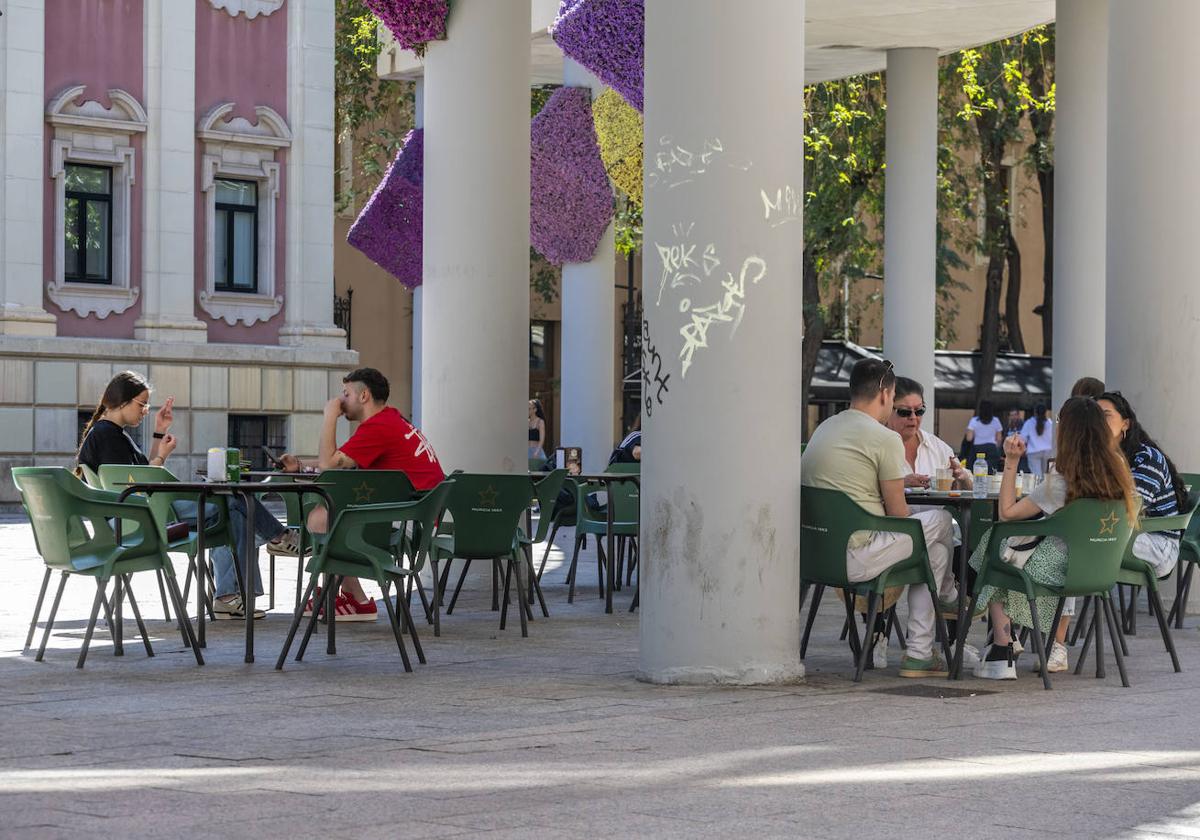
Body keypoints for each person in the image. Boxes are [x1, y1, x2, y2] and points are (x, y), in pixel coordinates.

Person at [77, 371, 295, 619]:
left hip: (136, 518)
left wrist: (160, 432)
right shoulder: (107, 436)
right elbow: (139, 484)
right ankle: (278, 538)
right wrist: (162, 456)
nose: (145, 410)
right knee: (232, 500)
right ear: (122, 401)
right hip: (143, 522)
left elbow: (141, 475)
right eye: (142, 404)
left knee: (233, 510)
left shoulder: (109, 433)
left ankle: (230, 595)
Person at [802, 359, 959, 678]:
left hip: (816, 555)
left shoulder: (825, 428)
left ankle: (920, 653)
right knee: (940, 522)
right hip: (858, 556)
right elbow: (900, 517)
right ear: (887, 394)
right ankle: (949, 601)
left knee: (936, 553)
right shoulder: (883, 438)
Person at [968, 397, 1139, 679]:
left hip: (1054, 571)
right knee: (1009, 550)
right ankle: (1012, 642)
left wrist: (1011, 461)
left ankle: (1001, 647)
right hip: (1101, 569)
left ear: (1068, 431)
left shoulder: (1063, 480)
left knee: (995, 544)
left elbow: (1008, 513)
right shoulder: (1122, 475)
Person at [279, 367, 445, 621]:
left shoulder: (379, 427)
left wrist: (329, 417)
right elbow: (343, 461)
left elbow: (329, 465)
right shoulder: (390, 420)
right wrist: (300, 465)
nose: (341, 401)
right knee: (335, 515)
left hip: (407, 524)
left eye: (345, 394)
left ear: (364, 396)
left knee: (321, 518)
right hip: (418, 516)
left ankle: (337, 596)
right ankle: (357, 599)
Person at [1097, 392, 1186, 579]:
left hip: (1159, 545)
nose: (1099, 422)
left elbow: (1128, 507)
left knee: (1077, 540)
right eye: (1094, 417)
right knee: (1070, 538)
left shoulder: (1147, 457)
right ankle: (1065, 609)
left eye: (1105, 415)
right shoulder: (1101, 459)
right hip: (1121, 532)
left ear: (1125, 424)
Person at [1020, 403, 1055, 476]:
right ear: (1046, 412)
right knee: (1046, 475)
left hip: (1033, 452)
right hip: (1048, 452)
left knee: (1037, 476)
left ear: (1035, 412)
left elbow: (1023, 439)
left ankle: (1038, 487)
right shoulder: (1050, 423)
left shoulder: (1029, 423)